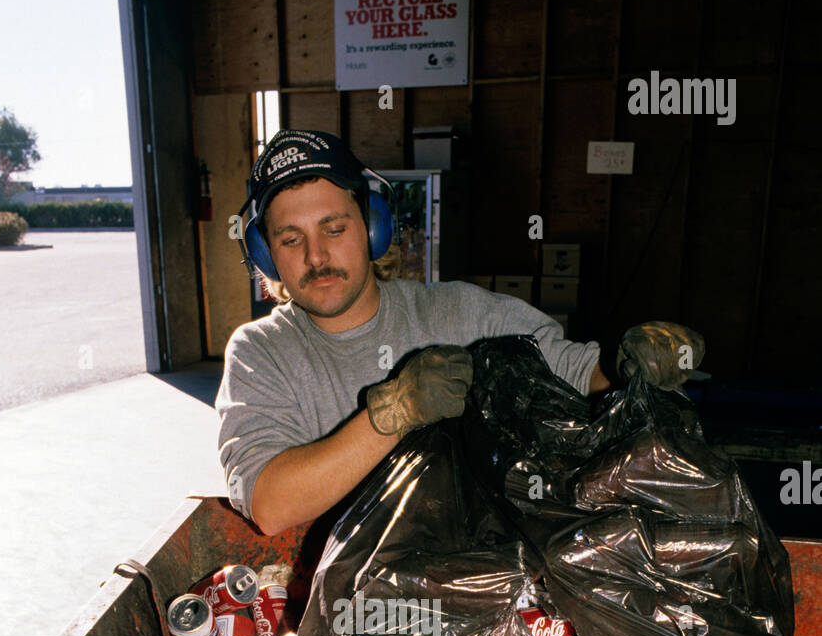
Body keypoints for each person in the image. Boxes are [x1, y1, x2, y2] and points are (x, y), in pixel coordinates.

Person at [217, 129, 703, 538]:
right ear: (266, 256)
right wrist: (391, 413)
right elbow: (270, 504)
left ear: (373, 228)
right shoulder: (260, 352)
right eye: (291, 239)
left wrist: (633, 364)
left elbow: (576, 373)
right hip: (349, 594)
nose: (316, 256)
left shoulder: (458, 313)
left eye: (334, 229)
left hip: (486, 576)